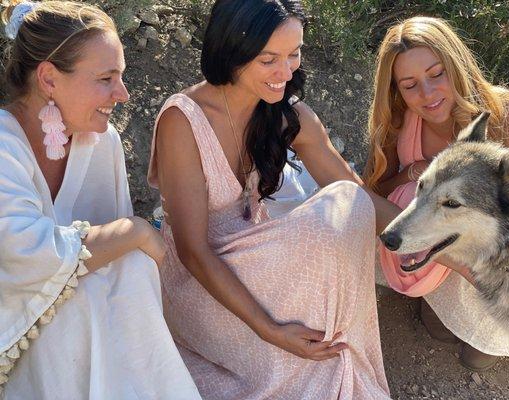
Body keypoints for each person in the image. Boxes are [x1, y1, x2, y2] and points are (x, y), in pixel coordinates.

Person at [148, 0, 400, 398]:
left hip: (261, 258)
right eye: (268, 60)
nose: (285, 72)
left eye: (294, 54)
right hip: (204, 282)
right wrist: (271, 331)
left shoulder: (281, 112)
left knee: (347, 206)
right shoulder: (184, 119)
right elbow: (193, 251)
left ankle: (331, 358)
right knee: (298, 354)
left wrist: (441, 241)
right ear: (231, 52)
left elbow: (356, 194)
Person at [0, 1, 201, 398]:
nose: (122, 94)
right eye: (106, 78)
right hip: (19, 339)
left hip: (92, 350)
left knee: (128, 272)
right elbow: (26, 253)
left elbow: (117, 268)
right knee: (84, 295)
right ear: (49, 78)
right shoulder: (4, 146)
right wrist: (136, 230)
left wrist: (130, 242)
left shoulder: (101, 141)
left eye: (121, 77)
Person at [363, 16, 509, 371]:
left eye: (436, 74)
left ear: (455, 64)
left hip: (501, 264)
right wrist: (417, 170)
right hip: (440, 256)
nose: (427, 94)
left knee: (477, 360)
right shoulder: (400, 122)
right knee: (436, 332)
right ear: (396, 90)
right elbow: (376, 191)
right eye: (409, 85)